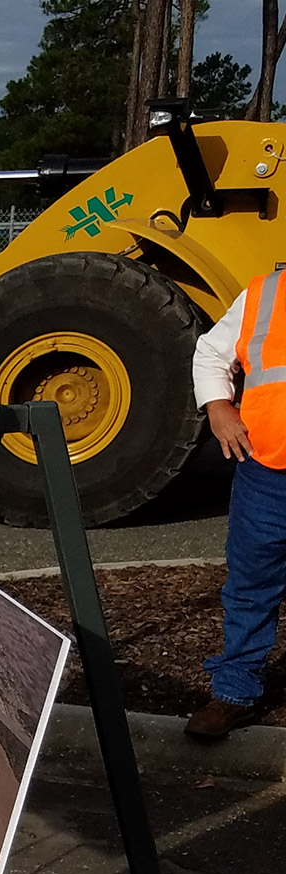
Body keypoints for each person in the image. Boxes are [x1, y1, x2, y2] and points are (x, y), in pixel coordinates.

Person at [187, 266, 286, 738]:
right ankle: (233, 694)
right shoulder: (267, 292)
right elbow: (210, 354)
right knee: (250, 585)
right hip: (267, 471)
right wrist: (218, 407)